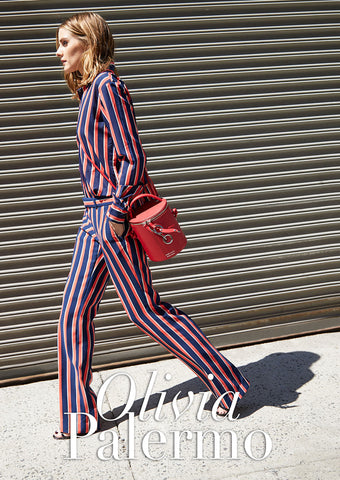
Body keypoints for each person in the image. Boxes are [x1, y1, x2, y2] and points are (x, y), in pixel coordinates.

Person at [53, 12, 249, 439]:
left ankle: (229, 384)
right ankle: (77, 415)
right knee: (72, 314)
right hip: (93, 216)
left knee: (145, 311)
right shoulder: (88, 91)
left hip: (112, 215)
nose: (58, 51)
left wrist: (120, 215)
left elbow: (132, 157)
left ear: (88, 43)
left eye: (66, 42)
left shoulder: (108, 87)